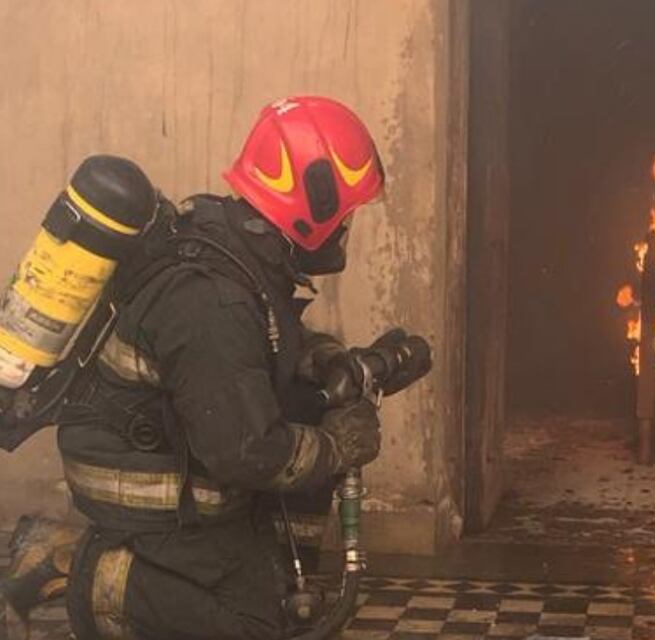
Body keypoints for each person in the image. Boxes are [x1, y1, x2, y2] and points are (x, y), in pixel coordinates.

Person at [1, 96, 429, 640]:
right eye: (345, 213)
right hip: (144, 492)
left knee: (302, 420)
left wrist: (318, 358)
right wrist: (337, 446)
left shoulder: (232, 241)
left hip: (178, 459)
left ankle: (258, 577)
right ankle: (86, 573)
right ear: (314, 201)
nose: (347, 227)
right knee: (253, 627)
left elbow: (258, 342)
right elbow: (245, 452)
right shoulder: (211, 302)